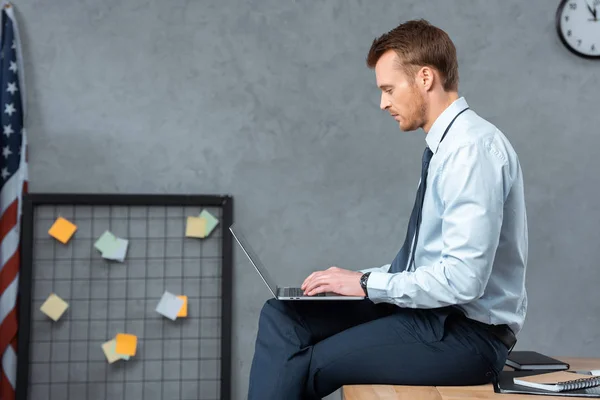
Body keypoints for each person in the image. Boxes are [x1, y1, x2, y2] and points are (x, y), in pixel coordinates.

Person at [246, 18, 528, 400]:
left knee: (305, 362)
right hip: (430, 316)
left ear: (425, 78)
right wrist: (357, 279)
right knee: (283, 316)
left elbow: (464, 281)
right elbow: (425, 264)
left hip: (466, 336)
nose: (383, 103)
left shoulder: (471, 151)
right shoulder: (445, 149)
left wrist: (365, 285)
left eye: (389, 89)